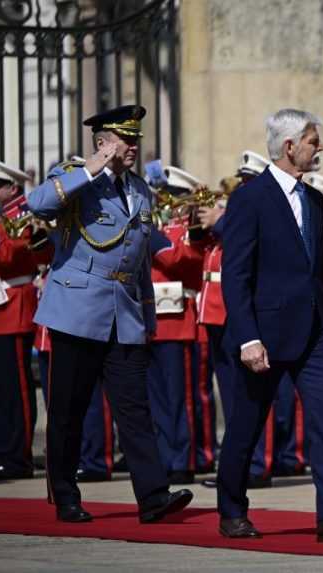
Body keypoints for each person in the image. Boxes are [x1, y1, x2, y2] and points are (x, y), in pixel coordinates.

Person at [27, 104, 193, 523]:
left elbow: (136, 261)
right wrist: (94, 166)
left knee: (134, 408)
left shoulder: (138, 189)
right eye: (124, 139)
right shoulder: (75, 177)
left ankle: (153, 496)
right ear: (103, 143)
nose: (133, 146)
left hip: (124, 314)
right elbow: (39, 204)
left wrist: (148, 318)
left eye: (135, 139)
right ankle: (65, 494)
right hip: (78, 310)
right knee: (68, 410)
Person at [216, 108, 323, 542]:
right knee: (246, 428)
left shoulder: (314, 199)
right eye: (311, 140)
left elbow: (314, 271)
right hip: (261, 336)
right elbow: (236, 274)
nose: (318, 147)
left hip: (312, 336)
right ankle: (231, 509)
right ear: (289, 147)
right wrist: (247, 338)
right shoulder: (250, 198)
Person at [0, 160, 51, 480]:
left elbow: (7, 256)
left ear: (11, 188)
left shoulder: (22, 215)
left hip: (12, 308)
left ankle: (16, 456)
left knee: (14, 390)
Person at [147, 166, 207, 484]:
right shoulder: (160, 224)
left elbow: (179, 260)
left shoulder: (192, 227)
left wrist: (153, 238)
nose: (167, 202)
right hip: (151, 319)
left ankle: (183, 459)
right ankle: (163, 457)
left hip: (178, 320)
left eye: (173, 196)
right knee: (156, 397)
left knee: (178, 397)